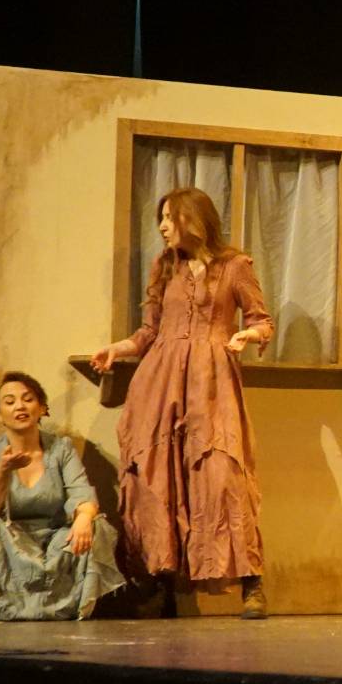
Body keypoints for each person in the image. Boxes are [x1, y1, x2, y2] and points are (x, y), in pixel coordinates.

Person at [90, 187, 275, 619]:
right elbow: (149, 331)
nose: (162, 226)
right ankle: (163, 582)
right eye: (161, 218)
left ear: (194, 218)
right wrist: (118, 348)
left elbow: (262, 320)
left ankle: (252, 584)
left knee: (223, 475)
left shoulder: (235, 266)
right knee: (159, 477)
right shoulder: (165, 267)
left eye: (170, 217)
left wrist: (248, 335)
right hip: (160, 382)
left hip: (211, 382)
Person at [0, 371, 126, 620]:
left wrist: (84, 517)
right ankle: (2, 606)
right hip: (12, 542)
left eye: (28, 399)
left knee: (95, 524)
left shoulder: (61, 448)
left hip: (56, 541)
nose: (20, 406)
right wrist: (2, 471)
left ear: (41, 407)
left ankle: (70, 606)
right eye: (9, 402)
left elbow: (80, 490)